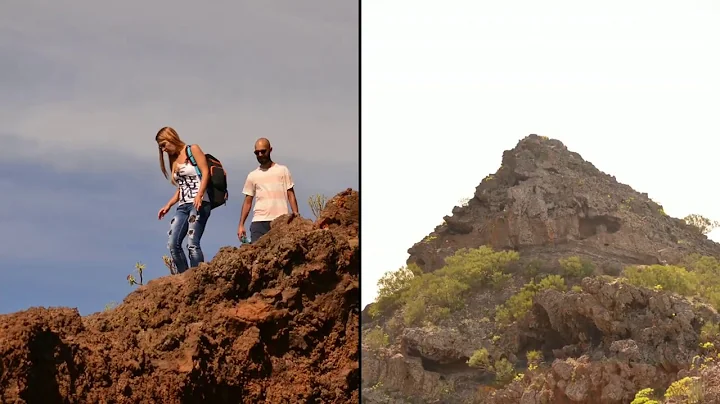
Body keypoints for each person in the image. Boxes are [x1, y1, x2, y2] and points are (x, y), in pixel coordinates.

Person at [155, 126, 213, 273]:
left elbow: (205, 172)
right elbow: (181, 188)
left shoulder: (192, 150)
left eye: (163, 145)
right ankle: (184, 278)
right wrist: (168, 205)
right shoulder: (174, 161)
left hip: (199, 202)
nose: (163, 150)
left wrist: (199, 195)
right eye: (160, 147)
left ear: (171, 138)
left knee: (192, 243)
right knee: (173, 244)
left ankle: (197, 276)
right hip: (183, 205)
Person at [237, 138, 299, 243]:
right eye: (257, 153)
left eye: (263, 151)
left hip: (281, 221)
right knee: (257, 256)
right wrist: (241, 225)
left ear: (270, 150)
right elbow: (248, 201)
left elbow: (290, 194)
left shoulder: (282, 170)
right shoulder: (252, 175)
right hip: (259, 222)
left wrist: (296, 214)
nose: (260, 154)